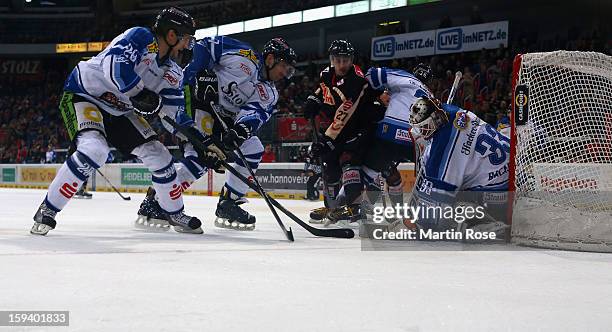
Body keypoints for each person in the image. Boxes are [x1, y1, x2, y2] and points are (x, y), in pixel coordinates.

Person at [31, 6, 208, 236]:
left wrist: (202, 141)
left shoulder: (174, 72)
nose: (188, 47)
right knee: (95, 149)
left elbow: (174, 114)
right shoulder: (140, 36)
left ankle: (173, 212)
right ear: (172, 35)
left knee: (160, 154)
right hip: (86, 95)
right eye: (187, 40)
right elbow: (114, 66)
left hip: (121, 109)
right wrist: (140, 94)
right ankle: (48, 209)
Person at [137, 35, 297, 231]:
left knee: (253, 148)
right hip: (196, 100)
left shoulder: (270, 93)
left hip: (222, 117)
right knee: (202, 155)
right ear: (271, 59)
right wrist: (199, 74)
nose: (285, 73)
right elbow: (204, 46)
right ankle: (155, 201)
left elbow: (254, 115)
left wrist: (239, 131)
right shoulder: (244, 55)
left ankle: (229, 202)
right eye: (284, 66)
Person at [303, 39, 384, 225]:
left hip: (358, 127)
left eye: (345, 60)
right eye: (338, 60)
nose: (342, 64)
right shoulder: (326, 73)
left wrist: (327, 139)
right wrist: (313, 99)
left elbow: (344, 114)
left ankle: (353, 208)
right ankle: (331, 207)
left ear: (351, 60)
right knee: (329, 165)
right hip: (339, 128)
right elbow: (323, 89)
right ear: (332, 60)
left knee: (349, 163)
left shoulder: (357, 80)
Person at [405, 96, 510, 233]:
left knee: (450, 211)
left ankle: (485, 226)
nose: (422, 131)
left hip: (497, 193)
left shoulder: (444, 147)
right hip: (510, 172)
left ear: (435, 119)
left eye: (425, 126)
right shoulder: (451, 111)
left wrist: (419, 223)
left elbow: (436, 204)